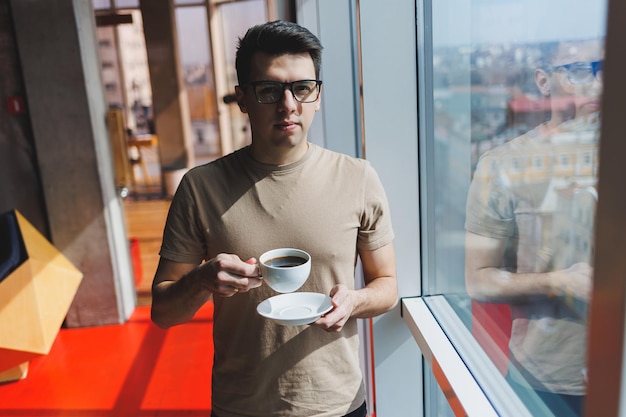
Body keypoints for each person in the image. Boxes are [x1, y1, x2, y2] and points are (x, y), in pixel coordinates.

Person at [151, 20, 398, 417]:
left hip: (337, 404)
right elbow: (163, 313)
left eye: (302, 88)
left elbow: (387, 285)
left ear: (318, 96)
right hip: (241, 407)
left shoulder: (358, 178)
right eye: (269, 90)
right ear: (242, 99)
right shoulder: (201, 187)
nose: (288, 105)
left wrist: (354, 300)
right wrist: (201, 280)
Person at [464, 39, 602, 417]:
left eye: (605, 68)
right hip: (549, 381)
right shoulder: (504, 165)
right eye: (578, 71)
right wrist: (560, 282)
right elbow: (478, 280)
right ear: (543, 81)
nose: (598, 84)